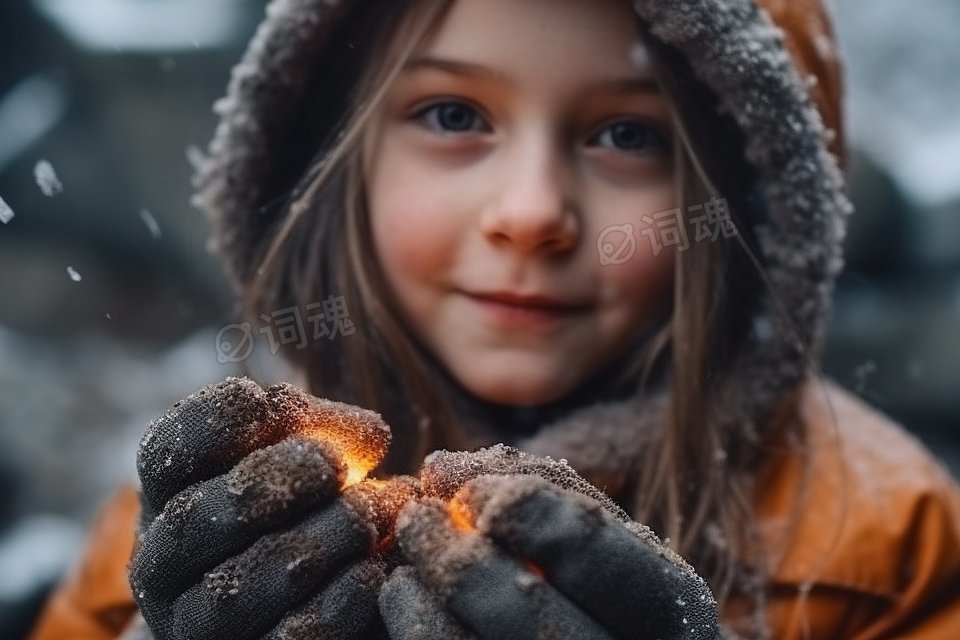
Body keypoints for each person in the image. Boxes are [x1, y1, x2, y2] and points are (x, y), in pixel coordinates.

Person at [28, 0, 960, 638]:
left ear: (748, 207)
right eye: (452, 113)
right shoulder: (201, 530)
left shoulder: (889, 542)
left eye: (628, 135)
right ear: (334, 163)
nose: (530, 211)